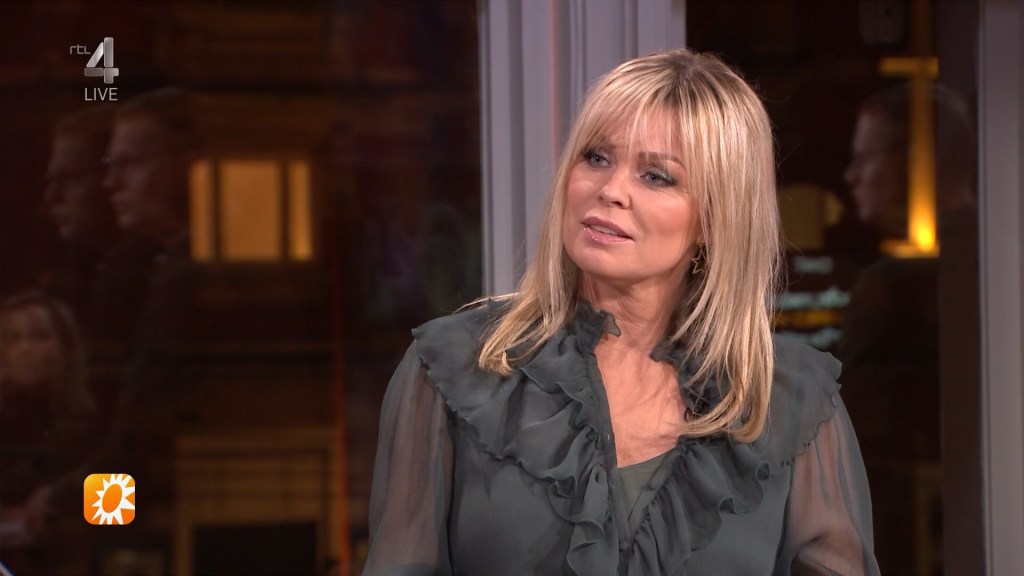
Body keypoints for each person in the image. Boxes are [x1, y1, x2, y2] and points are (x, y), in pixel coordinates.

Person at [363, 49, 879, 575]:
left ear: (714, 218)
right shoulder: (454, 370)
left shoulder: (786, 399)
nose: (610, 191)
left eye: (656, 176)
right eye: (596, 157)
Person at [0, 291, 95, 573]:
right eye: (12, 338)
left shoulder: (94, 422)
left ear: (66, 347)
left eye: (39, 337)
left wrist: (57, 502)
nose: (25, 349)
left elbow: (128, 504)